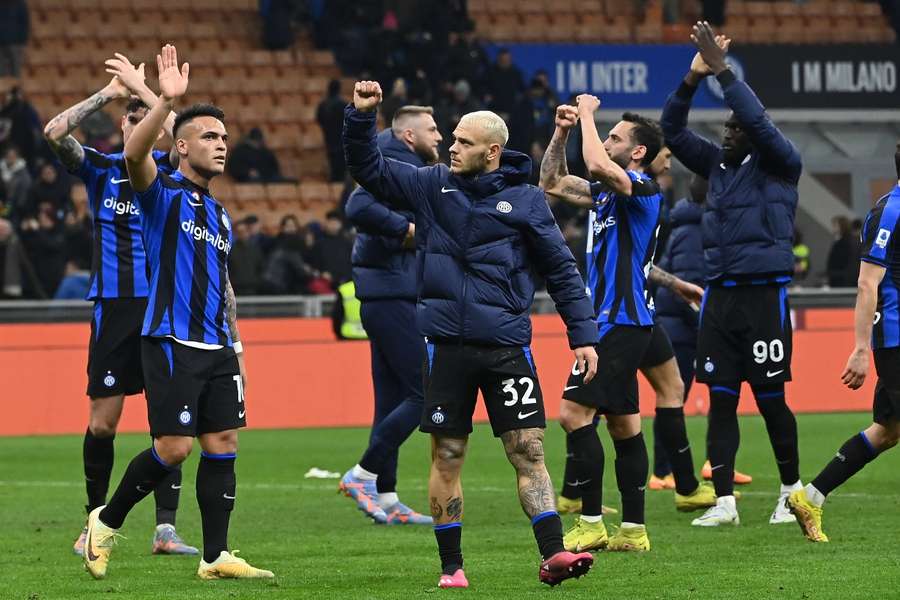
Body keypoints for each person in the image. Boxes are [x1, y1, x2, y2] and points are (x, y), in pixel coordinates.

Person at [344, 80, 597, 588]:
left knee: (528, 450)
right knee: (449, 454)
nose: (452, 147)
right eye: (452, 138)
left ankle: (554, 555)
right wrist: (360, 117)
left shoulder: (526, 201)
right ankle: (451, 567)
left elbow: (563, 271)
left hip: (507, 347)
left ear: (492, 151)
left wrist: (583, 334)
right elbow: (368, 171)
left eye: (462, 141)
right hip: (445, 348)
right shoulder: (431, 185)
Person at [81, 44, 272, 581]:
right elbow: (135, 155)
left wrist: (235, 345)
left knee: (223, 443)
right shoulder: (159, 196)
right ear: (181, 147)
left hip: (217, 344)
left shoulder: (220, 214)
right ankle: (105, 522)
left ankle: (215, 557)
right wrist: (163, 101)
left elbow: (227, 289)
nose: (221, 145)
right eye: (210, 137)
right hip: (170, 339)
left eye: (225, 138)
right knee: (173, 448)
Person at [43, 55, 198, 557]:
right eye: (130, 116)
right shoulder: (102, 170)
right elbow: (53, 131)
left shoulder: (173, 173)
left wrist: (150, 95)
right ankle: (93, 521)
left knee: (167, 421)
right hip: (114, 308)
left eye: (144, 115)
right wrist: (110, 93)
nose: (138, 119)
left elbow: (178, 126)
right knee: (102, 423)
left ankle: (165, 530)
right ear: (120, 124)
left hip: (162, 307)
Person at [541, 99, 707, 554]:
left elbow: (595, 162)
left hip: (618, 322)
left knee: (573, 415)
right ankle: (633, 530)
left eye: (617, 137)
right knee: (624, 426)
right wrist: (561, 134)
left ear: (637, 153)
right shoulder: (608, 194)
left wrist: (589, 115)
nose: (607, 141)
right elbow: (551, 181)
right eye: (607, 134)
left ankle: (592, 521)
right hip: (618, 321)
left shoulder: (643, 187)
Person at [661, 23, 803, 527]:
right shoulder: (719, 167)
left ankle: (791, 491)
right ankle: (724, 502)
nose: (726, 133)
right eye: (724, 128)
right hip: (720, 299)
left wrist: (723, 72)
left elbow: (759, 121)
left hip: (765, 297)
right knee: (720, 400)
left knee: (770, 400)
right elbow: (672, 131)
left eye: (734, 127)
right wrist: (692, 78)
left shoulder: (782, 164)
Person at [787, 144, 900, 542]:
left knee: (887, 431)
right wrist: (860, 347)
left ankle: (810, 497)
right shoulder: (889, 211)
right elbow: (868, 283)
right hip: (895, 337)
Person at [338, 105, 442, 525]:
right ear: (409, 135)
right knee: (425, 393)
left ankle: (386, 495)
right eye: (432, 129)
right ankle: (363, 473)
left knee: (392, 399)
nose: (441, 136)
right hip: (393, 291)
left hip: (385, 291)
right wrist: (408, 232)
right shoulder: (398, 161)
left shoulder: (395, 158)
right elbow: (357, 205)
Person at [317, 79, 347, 182]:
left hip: (328, 139)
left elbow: (319, 120)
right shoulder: (342, 105)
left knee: (333, 165)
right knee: (340, 169)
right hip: (341, 140)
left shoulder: (323, 105)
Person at [826, 215, 858, 287]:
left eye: (835, 226)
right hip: (842, 278)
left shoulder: (844, 243)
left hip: (842, 280)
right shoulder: (846, 241)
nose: (833, 228)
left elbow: (841, 261)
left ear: (842, 227)